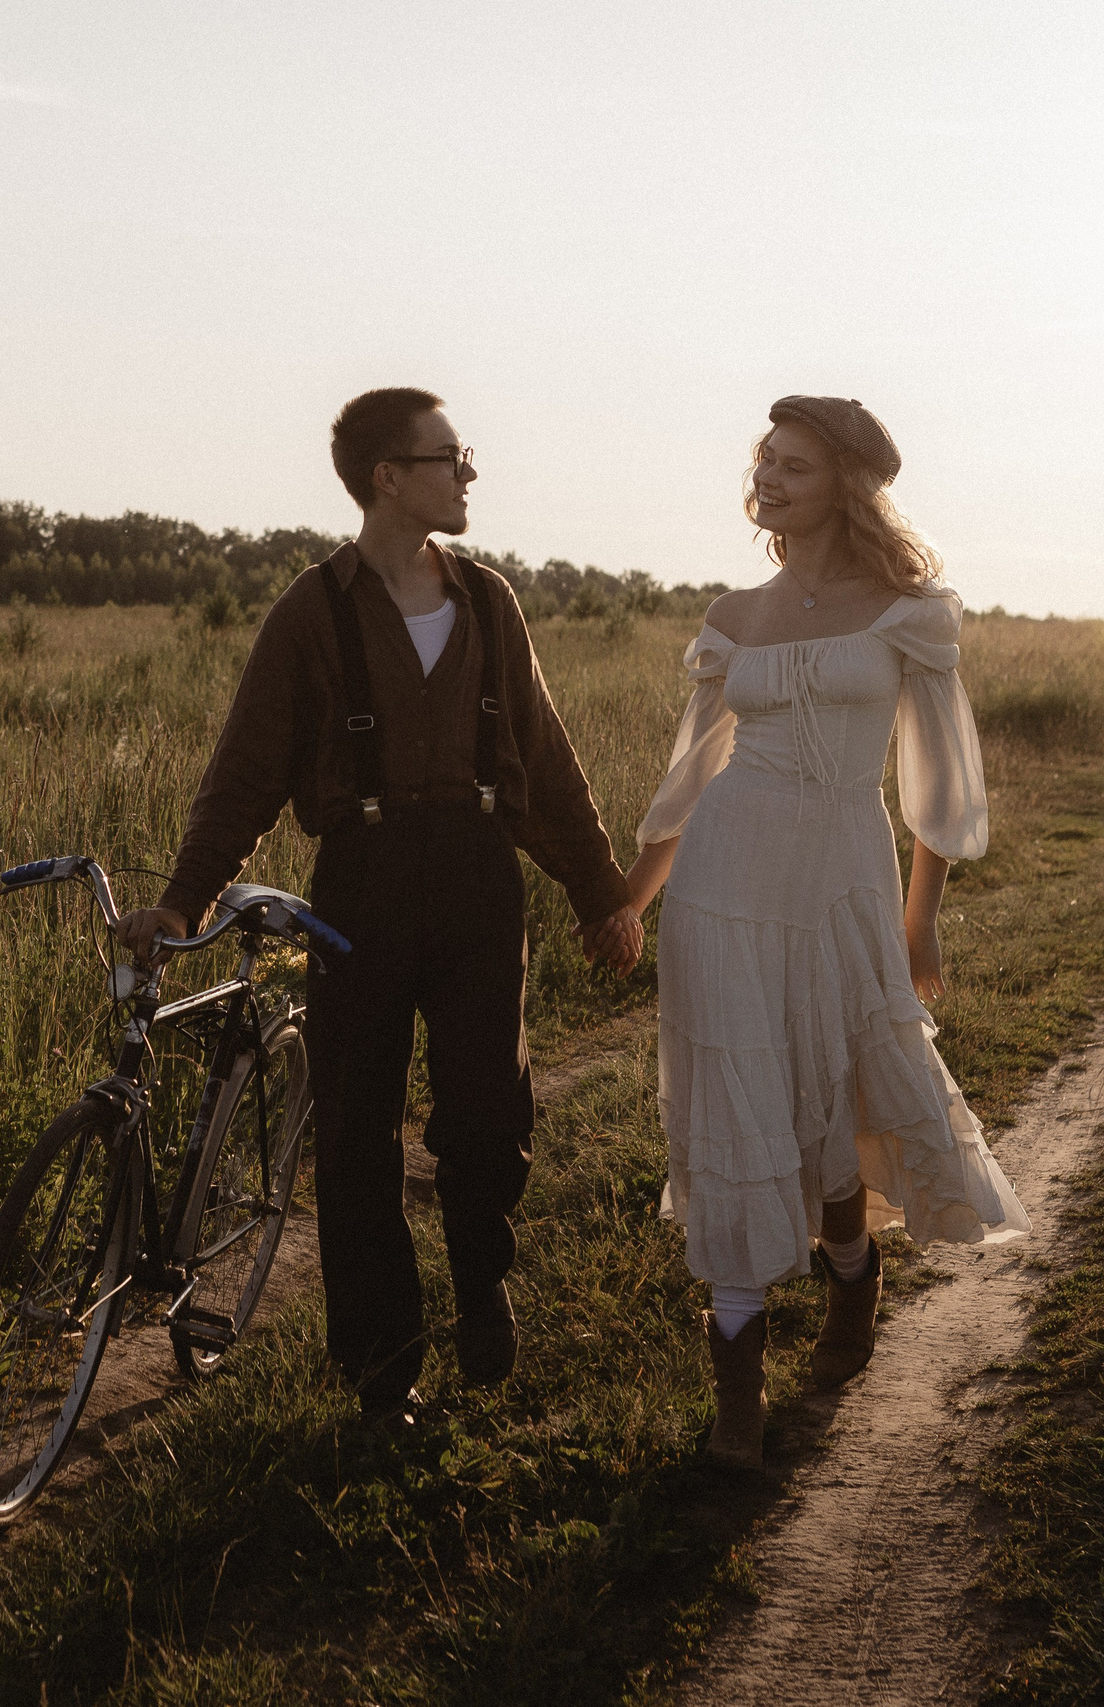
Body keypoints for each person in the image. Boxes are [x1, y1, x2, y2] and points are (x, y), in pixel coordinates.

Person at [115, 388, 643, 1430]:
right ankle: (383, 1375)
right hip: (360, 883)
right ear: (387, 478)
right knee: (356, 1136)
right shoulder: (311, 611)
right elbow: (245, 773)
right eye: (449, 457)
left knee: (489, 1115)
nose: (469, 473)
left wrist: (599, 893)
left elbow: (542, 757)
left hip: (479, 876)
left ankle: (480, 1280)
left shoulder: (490, 601)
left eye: (466, 455)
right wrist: (186, 898)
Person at [623, 396, 1030, 1470]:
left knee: (834, 1101)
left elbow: (937, 782)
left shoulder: (908, 609)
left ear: (847, 484)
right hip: (721, 881)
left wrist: (921, 919)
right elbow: (687, 776)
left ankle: (852, 1278)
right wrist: (631, 895)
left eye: (793, 463)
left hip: (843, 881)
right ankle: (737, 1408)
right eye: (763, 460)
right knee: (739, 1108)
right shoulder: (733, 615)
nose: (768, 476)